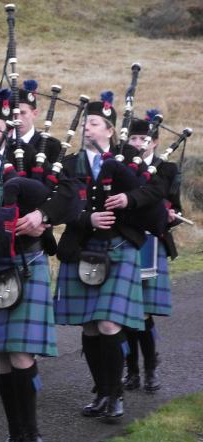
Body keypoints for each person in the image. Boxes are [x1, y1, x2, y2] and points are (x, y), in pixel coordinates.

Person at [0, 89, 77, 442]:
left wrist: (43, 216)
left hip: (28, 263)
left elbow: (71, 198)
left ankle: (32, 434)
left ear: (10, 128)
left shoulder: (40, 155)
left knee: (20, 354)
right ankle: (15, 433)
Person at [54, 92, 166, 421]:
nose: (87, 128)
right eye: (85, 123)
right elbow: (60, 206)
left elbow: (155, 191)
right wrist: (86, 218)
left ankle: (116, 394)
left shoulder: (129, 156)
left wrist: (128, 199)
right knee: (89, 327)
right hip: (83, 249)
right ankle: (102, 390)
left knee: (108, 323)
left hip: (118, 248)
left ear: (110, 130)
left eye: (94, 123)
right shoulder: (72, 163)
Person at [122, 110, 181, 392]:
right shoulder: (122, 165)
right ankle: (131, 371)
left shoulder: (166, 169)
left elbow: (175, 205)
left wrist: (172, 214)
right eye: (133, 138)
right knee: (124, 313)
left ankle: (150, 370)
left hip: (151, 243)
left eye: (143, 138)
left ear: (155, 142)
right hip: (123, 242)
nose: (137, 143)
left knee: (143, 313)